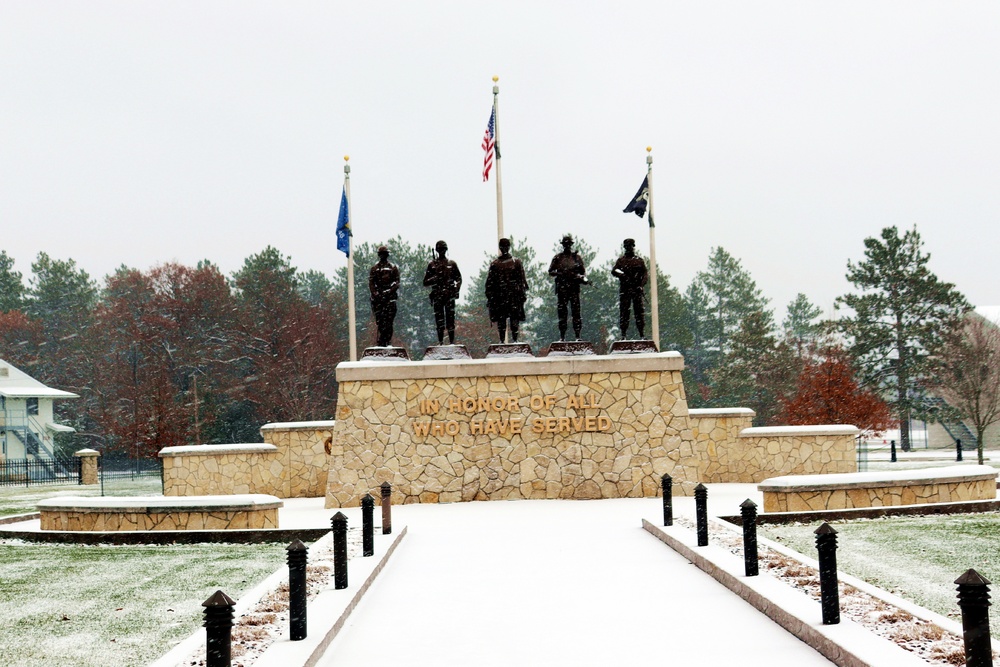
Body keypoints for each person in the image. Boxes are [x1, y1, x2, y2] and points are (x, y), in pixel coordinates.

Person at [485, 237, 528, 343]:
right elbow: (490, 283)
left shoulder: (516, 262)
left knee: (514, 320)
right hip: (500, 297)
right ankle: (502, 340)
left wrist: (521, 293)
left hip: (513, 296)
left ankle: (515, 340)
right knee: (501, 321)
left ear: (509, 247)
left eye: (506, 246)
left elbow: (521, 280)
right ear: (500, 248)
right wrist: (490, 296)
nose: (504, 248)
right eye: (502, 246)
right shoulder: (495, 264)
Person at [547, 234, 588, 341]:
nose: (567, 246)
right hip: (562, 289)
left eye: (568, 244)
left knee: (576, 313)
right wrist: (560, 273)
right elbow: (550, 271)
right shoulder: (558, 258)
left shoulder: (576, 258)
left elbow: (583, 273)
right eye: (565, 244)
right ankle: (562, 336)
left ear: (571, 245)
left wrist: (580, 277)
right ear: (563, 245)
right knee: (562, 314)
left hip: (574, 288)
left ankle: (578, 336)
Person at [423, 240, 462, 345]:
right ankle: (440, 341)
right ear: (437, 250)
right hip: (438, 295)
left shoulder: (452, 264)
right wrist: (435, 278)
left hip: (449, 295)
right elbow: (425, 282)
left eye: (443, 249)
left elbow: (459, 279)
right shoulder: (432, 265)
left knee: (450, 320)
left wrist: (456, 288)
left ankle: (451, 341)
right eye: (440, 250)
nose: (442, 251)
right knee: (439, 321)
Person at [611, 238, 648, 339]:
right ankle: (623, 335)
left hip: (636, 290)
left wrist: (641, 285)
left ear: (633, 247)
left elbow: (645, 274)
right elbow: (614, 271)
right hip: (625, 290)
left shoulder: (639, 261)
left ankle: (641, 334)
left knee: (639, 313)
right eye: (627, 246)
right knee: (624, 313)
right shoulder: (621, 261)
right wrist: (622, 275)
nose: (629, 248)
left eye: (631, 246)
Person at [368, 245, 400, 347]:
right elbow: (371, 283)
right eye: (381, 254)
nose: (383, 256)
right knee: (380, 322)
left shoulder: (392, 268)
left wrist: (388, 292)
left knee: (389, 322)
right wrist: (376, 294)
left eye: (385, 254)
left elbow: (396, 282)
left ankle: (387, 340)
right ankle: (382, 340)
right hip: (378, 301)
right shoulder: (375, 269)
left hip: (389, 299)